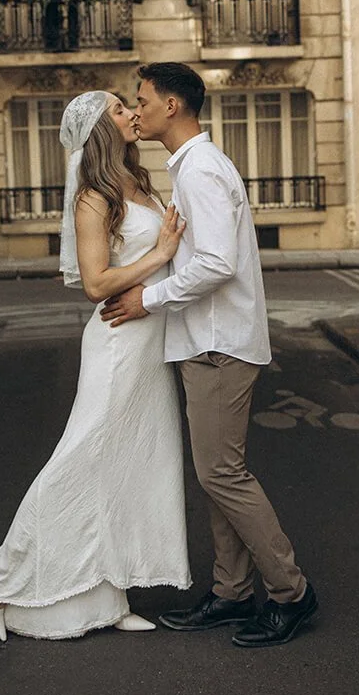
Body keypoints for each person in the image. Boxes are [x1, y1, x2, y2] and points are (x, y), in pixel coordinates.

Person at [101, 62, 318, 648]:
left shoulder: (198, 169)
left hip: (219, 343)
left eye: (142, 99)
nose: (137, 108)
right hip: (207, 340)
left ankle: (291, 593)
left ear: (172, 106)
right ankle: (230, 593)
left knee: (222, 473)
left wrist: (150, 298)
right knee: (217, 475)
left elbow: (218, 263)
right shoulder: (193, 165)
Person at [0, 90, 191, 640]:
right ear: (99, 130)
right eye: (120, 109)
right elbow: (94, 284)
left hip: (149, 347)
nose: (133, 113)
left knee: (130, 469)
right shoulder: (93, 197)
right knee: (81, 461)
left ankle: (110, 595)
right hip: (117, 345)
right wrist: (159, 255)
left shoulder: (139, 182)